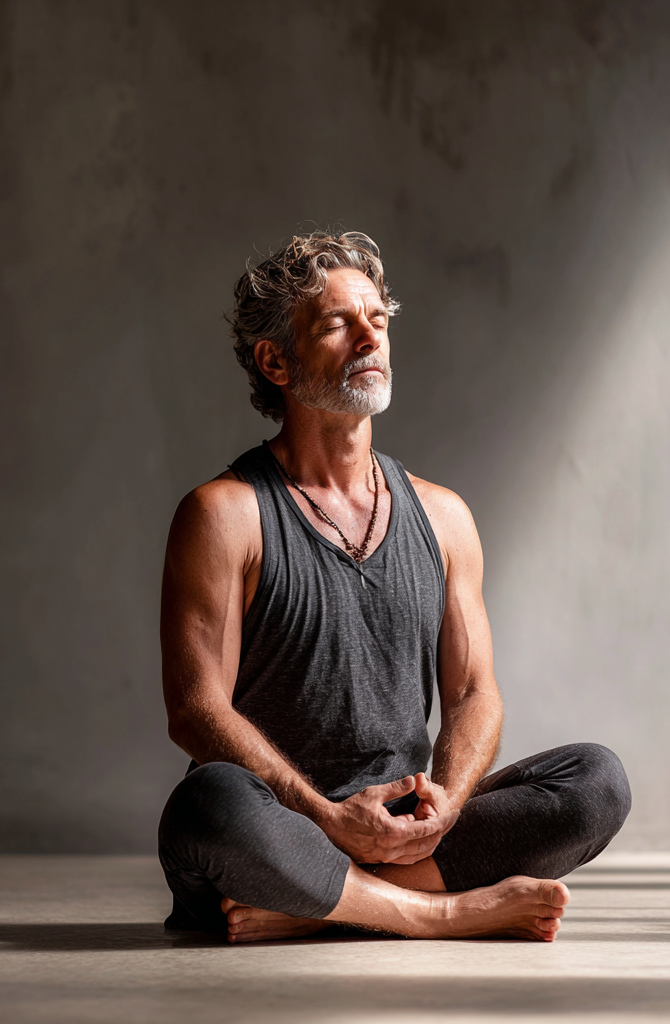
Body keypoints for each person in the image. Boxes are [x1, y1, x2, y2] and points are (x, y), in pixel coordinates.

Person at [157, 230, 631, 943]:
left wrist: (447, 800)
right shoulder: (224, 515)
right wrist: (324, 815)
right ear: (274, 360)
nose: (369, 337)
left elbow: (474, 694)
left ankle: (317, 910)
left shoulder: (443, 517)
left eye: (378, 319)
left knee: (596, 780)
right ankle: (435, 914)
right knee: (208, 805)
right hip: (280, 825)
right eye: (338, 323)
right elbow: (196, 711)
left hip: (403, 830)